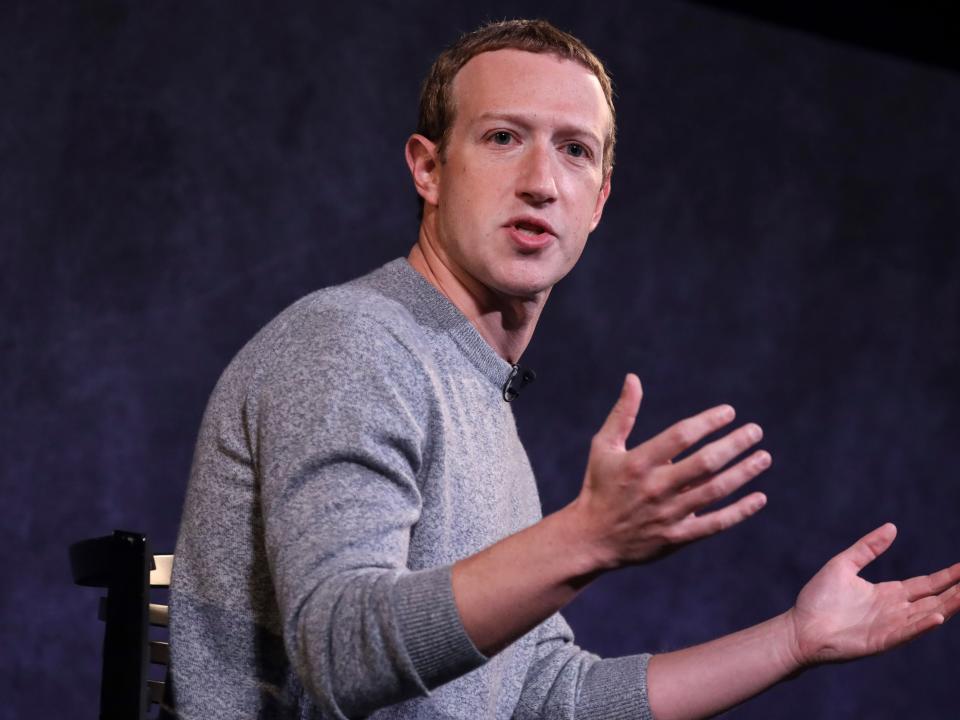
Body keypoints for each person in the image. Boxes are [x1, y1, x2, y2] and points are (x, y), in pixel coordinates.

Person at [167, 19, 960, 720]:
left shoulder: (479, 399)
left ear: (600, 200)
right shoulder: (352, 344)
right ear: (428, 169)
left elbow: (546, 697)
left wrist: (793, 640)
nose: (541, 182)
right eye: (503, 137)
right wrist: (584, 540)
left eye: (574, 151)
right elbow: (339, 652)